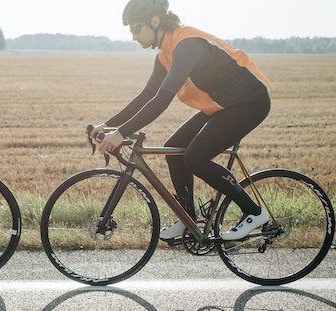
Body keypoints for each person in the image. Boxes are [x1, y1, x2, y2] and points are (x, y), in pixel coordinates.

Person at [88, 0, 273, 241]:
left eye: (135, 29)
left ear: (154, 21)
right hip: (223, 105)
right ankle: (188, 219)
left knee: (194, 158)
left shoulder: (187, 45)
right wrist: (108, 125)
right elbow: (146, 96)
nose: (133, 36)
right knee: (172, 150)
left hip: (249, 103)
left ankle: (253, 212)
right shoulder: (165, 55)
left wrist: (121, 133)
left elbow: (162, 100)